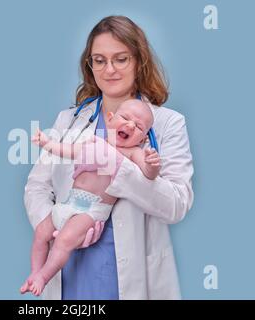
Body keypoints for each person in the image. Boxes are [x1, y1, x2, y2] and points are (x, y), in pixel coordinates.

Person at [23, 15, 194, 299]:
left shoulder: (167, 123)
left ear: (139, 62)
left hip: (131, 275)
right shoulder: (69, 120)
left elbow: (177, 204)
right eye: (99, 60)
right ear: (90, 66)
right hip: (69, 267)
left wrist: (119, 167)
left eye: (121, 59)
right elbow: (37, 187)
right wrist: (56, 225)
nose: (109, 69)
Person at [21, 99, 161, 296]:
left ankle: (43, 276)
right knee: (41, 233)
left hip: (91, 210)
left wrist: (153, 165)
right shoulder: (93, 143)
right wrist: (46, 143)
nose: (130, 125)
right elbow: (66, 151)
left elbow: (148, 173)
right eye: (126, 118)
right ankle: (35, 272)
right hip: (68, 202)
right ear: (110, 119)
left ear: (142, 139)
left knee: (63, 241)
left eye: (138, 126)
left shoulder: (131, 153)